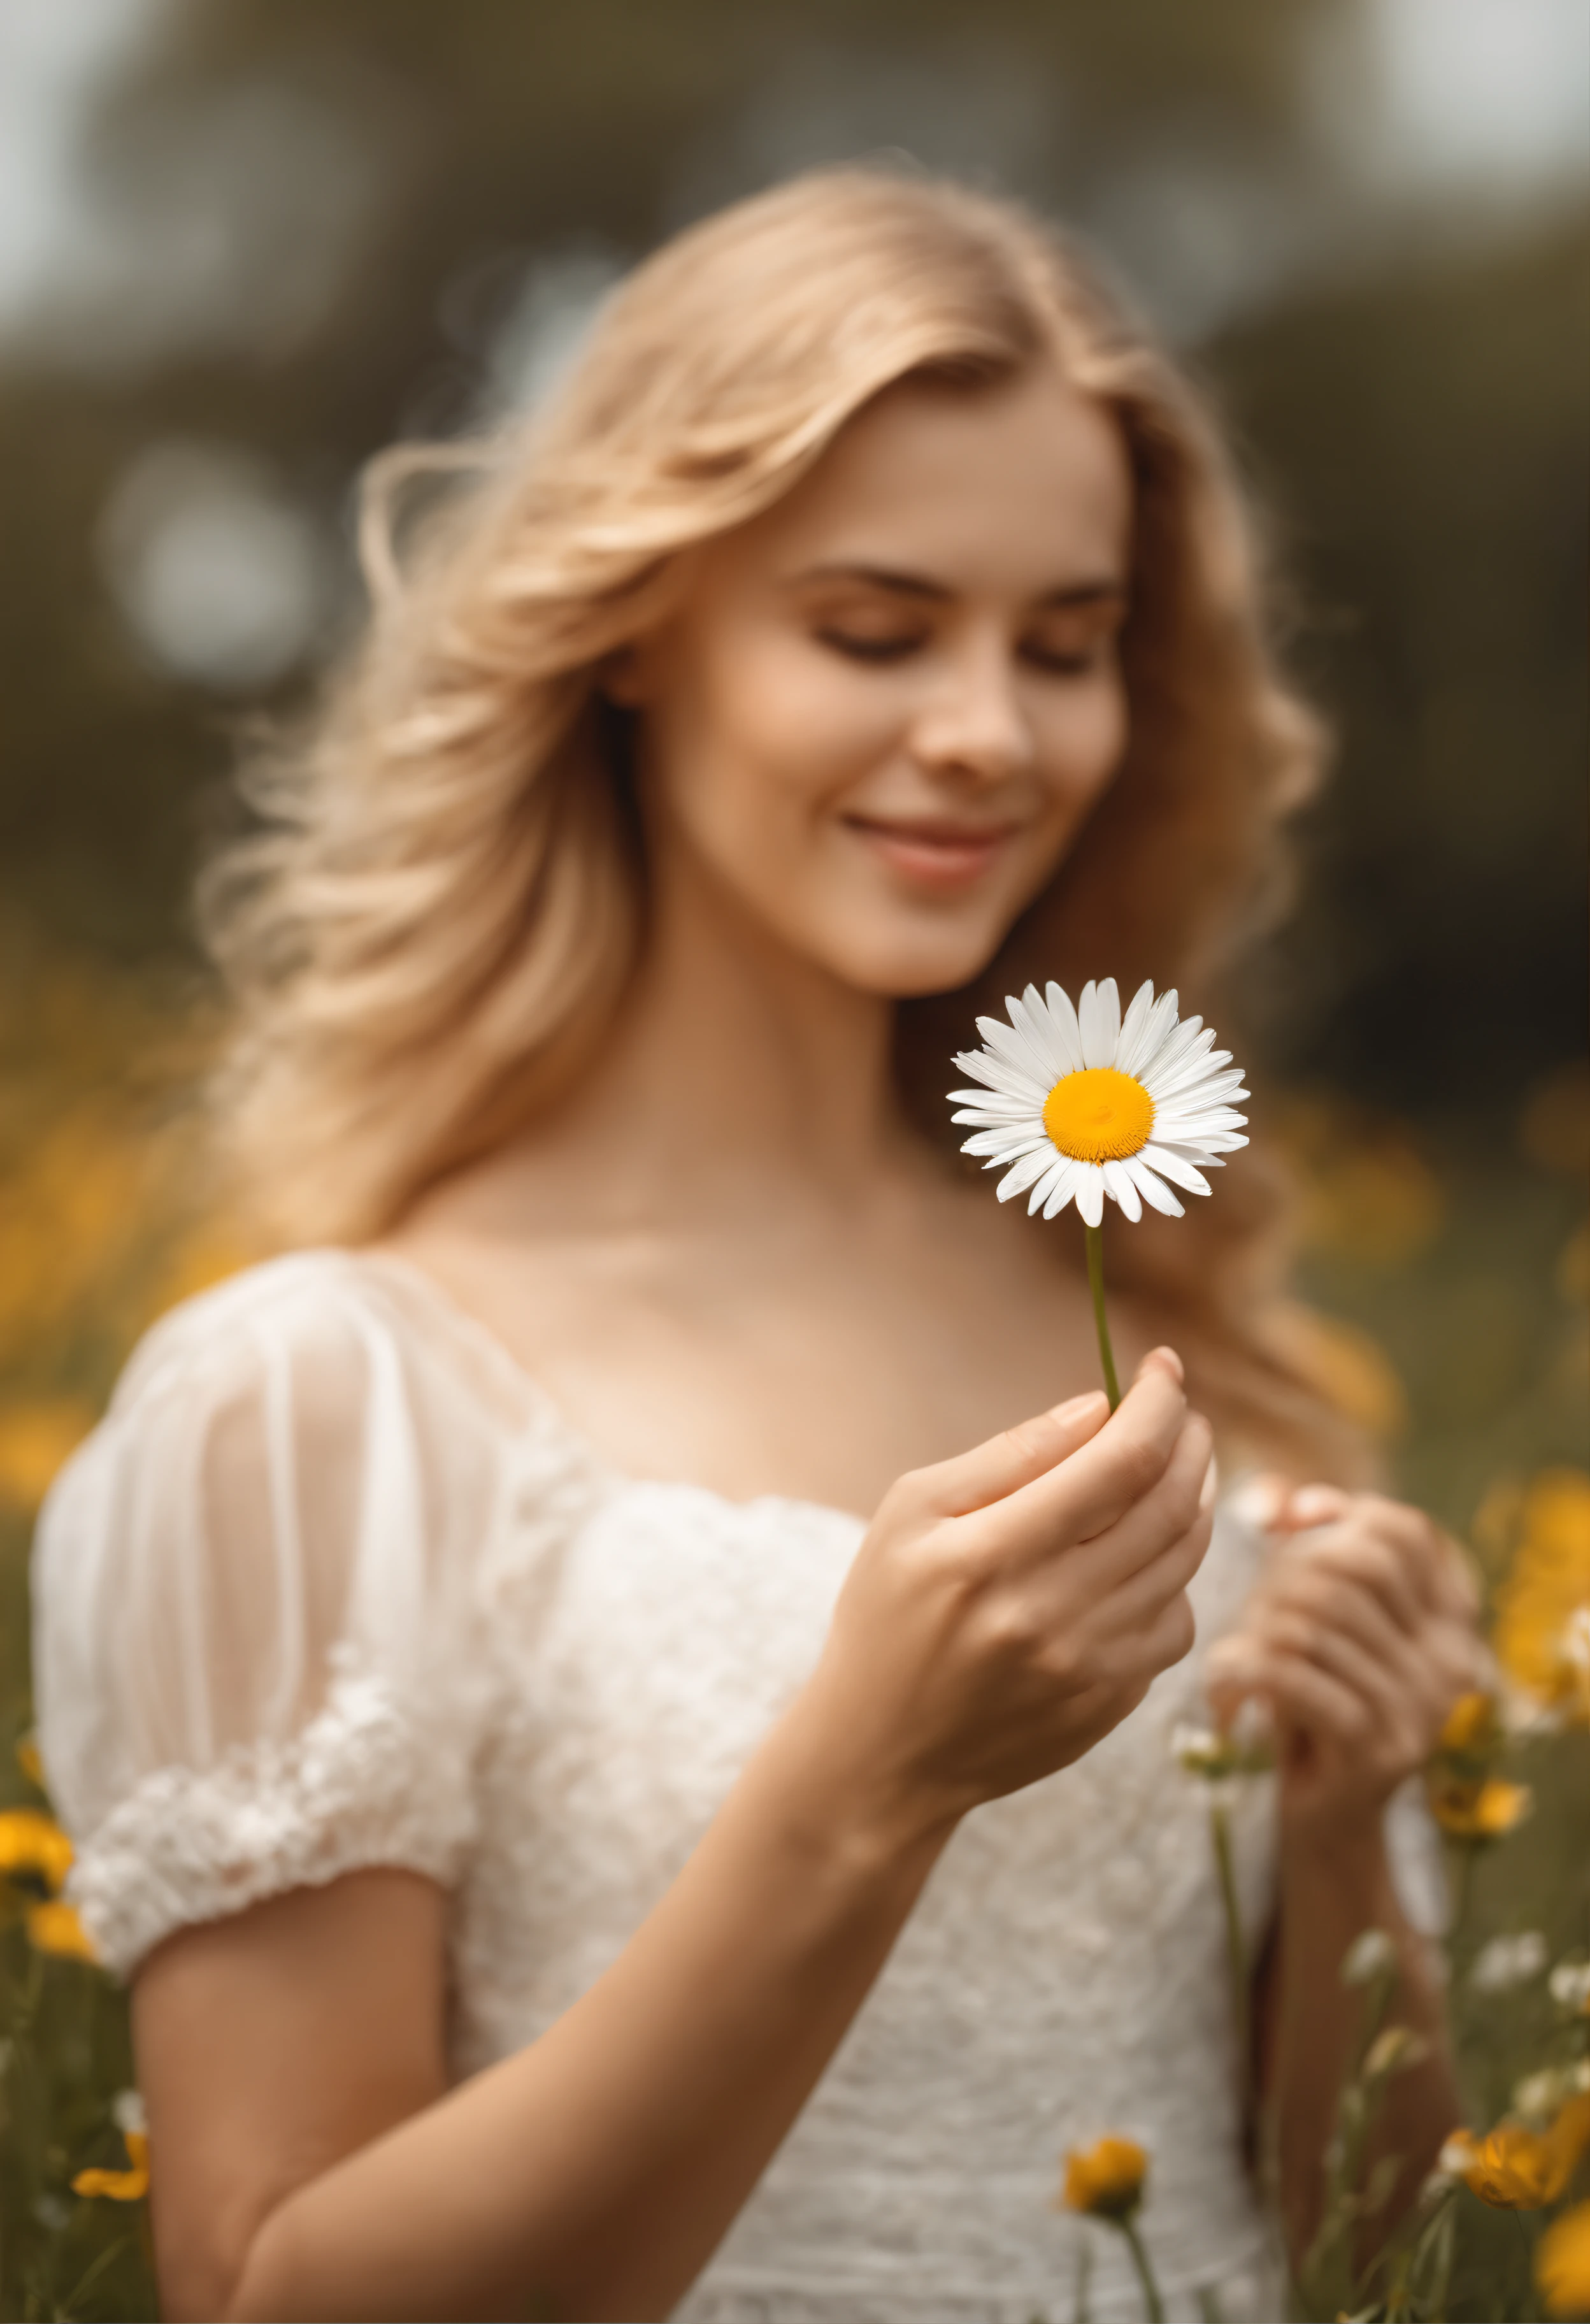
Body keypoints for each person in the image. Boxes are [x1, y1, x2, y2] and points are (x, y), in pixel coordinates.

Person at [34, 168, 1480, 2323]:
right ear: (633, 625)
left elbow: (1359, 2240)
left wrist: (1354, 1824)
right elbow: (272, 2294)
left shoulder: (1178, 1343)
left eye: (1067, 646)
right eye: (875, 630)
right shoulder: (326, 1402)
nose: (991, 727)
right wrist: (858, 1789)